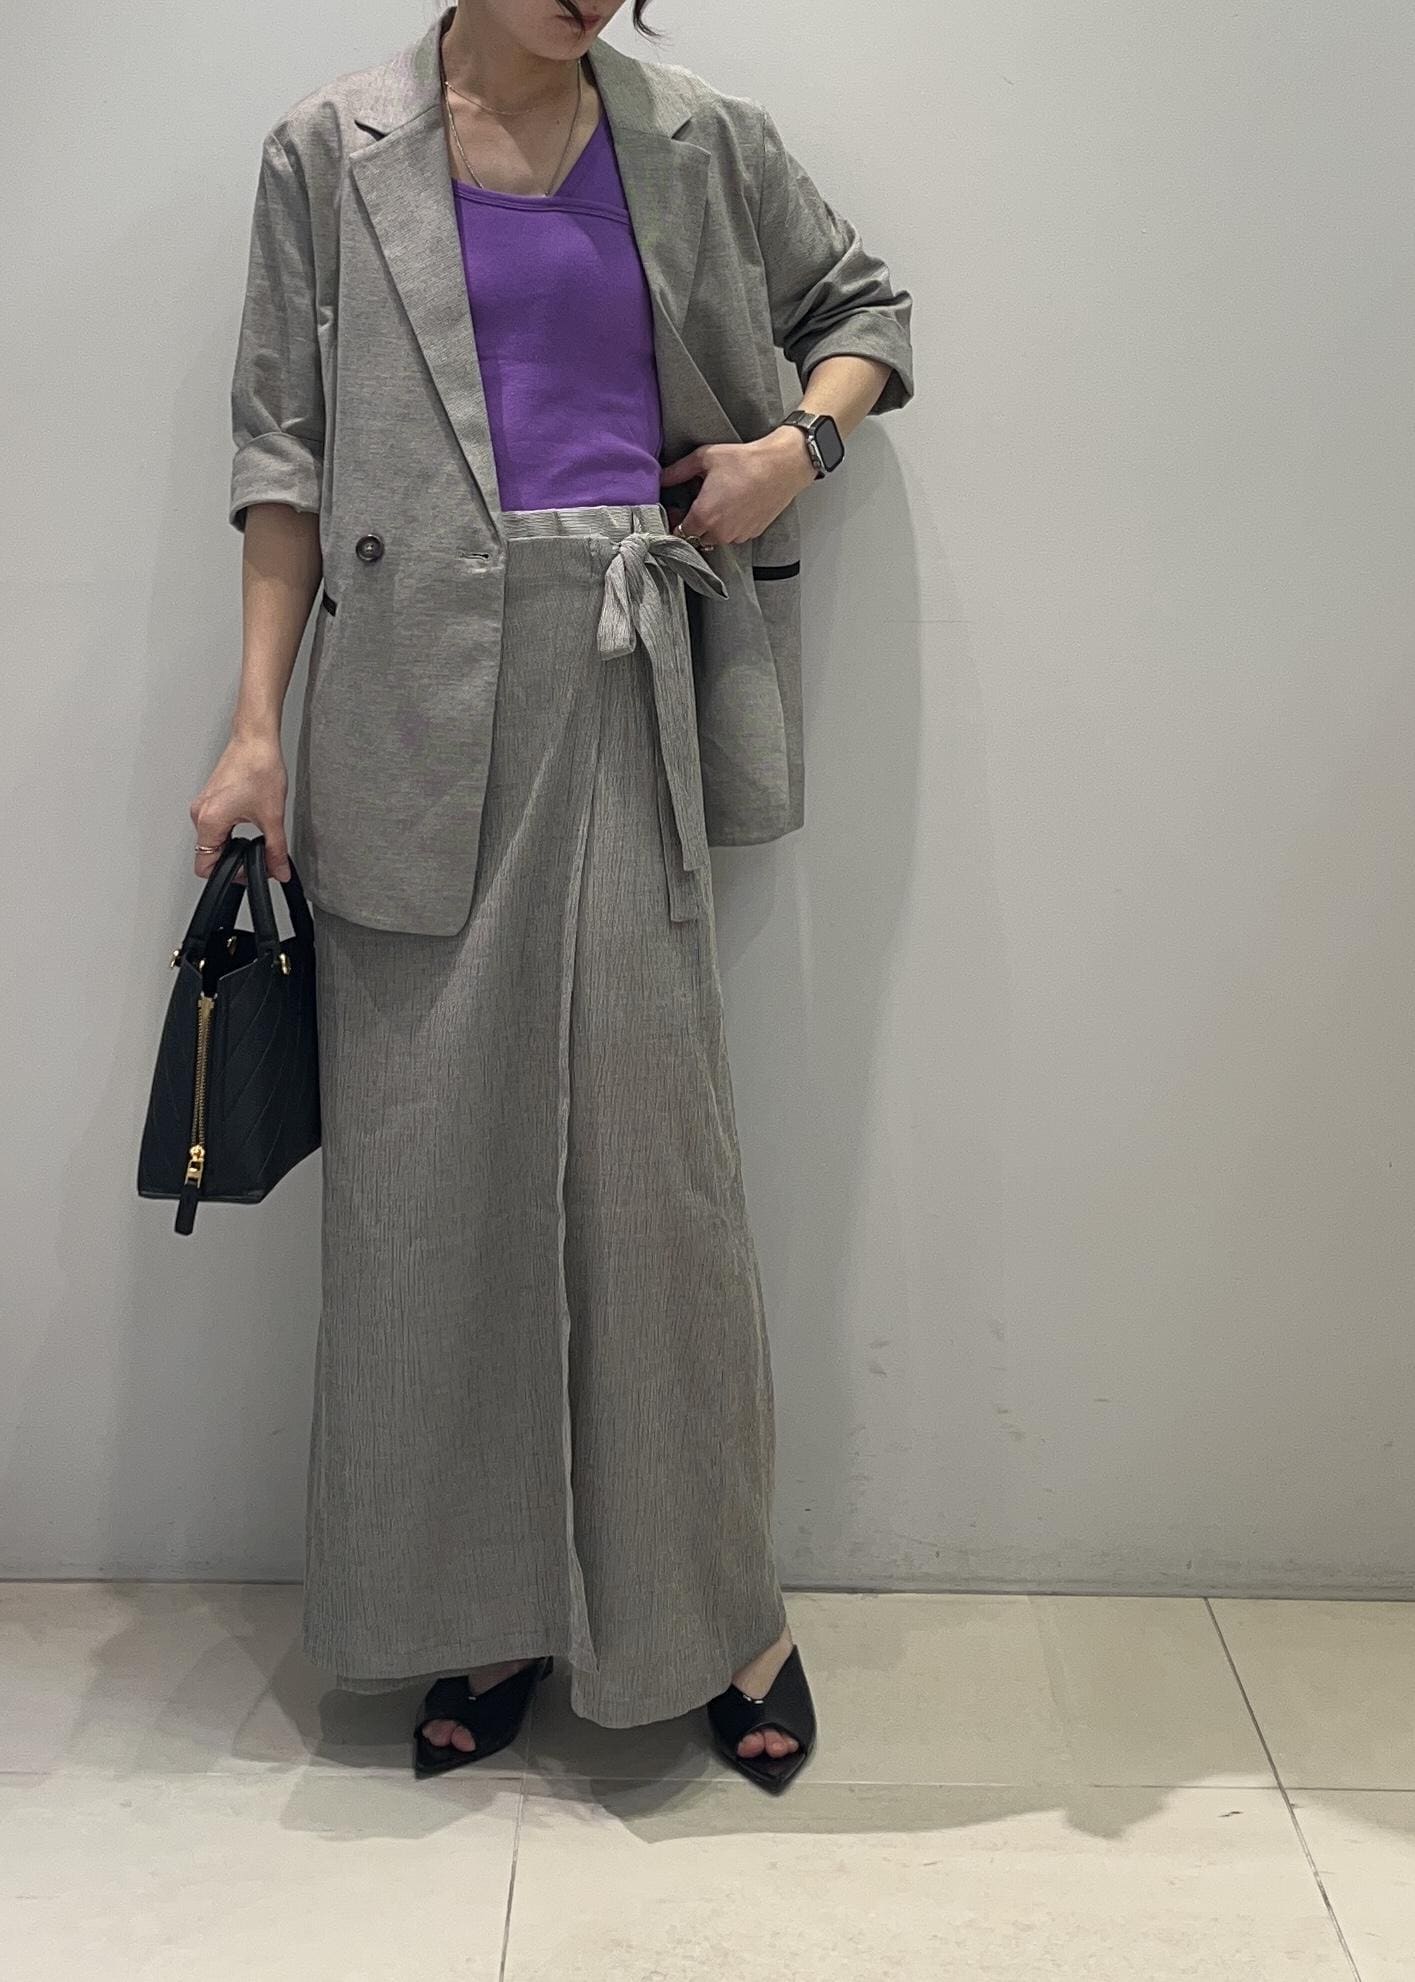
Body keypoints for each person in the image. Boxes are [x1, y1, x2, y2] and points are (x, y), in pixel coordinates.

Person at [194, 0, 914, 1793]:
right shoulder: (329, 152)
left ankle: (718, 1610)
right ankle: (483, 1605)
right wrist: (254, 729)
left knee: (658, 1174)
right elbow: (281, 457)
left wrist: (794, 451)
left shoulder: (698, 136)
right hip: (404, 703)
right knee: (428, 1181)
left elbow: (864, 311)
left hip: (624, 673)